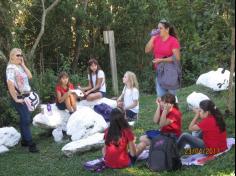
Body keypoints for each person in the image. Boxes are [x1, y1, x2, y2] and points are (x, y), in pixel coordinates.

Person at [6, 48, 39, 153]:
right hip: (19, 97)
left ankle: (24, 140)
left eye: (21, 55)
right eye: (17, 55)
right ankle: (30, 143)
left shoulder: (19, 66)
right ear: (12, 56)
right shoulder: (11, 68)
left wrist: (23, 64)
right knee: (26, 119)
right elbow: (10, 83)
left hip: (26, 96)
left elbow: (30, 76)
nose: (20, 57)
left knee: (24, 118)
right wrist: (16, 98)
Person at [145, 19, 181, 97]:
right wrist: (152, 38)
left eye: (160, 28)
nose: (158, 30)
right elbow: (147, 50)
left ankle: (173, 108)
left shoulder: (173, 41)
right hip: (160, 72)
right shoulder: (156, 39)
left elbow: (177, 58)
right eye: (157, 28)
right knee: (161, 98)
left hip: (171, 73)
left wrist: (161, 60)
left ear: (167, 29)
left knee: (171, 99)